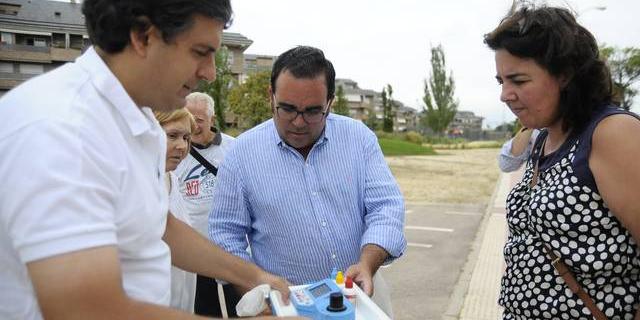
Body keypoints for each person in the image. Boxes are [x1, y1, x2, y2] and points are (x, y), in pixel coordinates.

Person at [0, 1, 301, 319]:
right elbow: (87, 311)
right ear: (143, 37)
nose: (210, 73)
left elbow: (158, 224)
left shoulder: (137, 120)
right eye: (200, 52)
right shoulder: (61, 129)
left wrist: (254, 276)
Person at [209, 46, 407, 315]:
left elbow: (385, 206)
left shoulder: (359, 139)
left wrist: (367, 263)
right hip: (286, 306)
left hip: (361, 293)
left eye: (313, 111)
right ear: (271, 96)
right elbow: (225, 235)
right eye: (288, 109)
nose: (299, 122)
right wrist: (258, 294)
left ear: (330, 102)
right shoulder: (241, 155)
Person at [485, 4, 640, 319]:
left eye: (518, 80)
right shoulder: (544, 137)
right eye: (501, 80)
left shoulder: (612, 133)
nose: (505, 94)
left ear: (565, 75)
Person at [172, 92, 239, 316]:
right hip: (193, 251)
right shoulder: (177, 151)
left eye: (199, 120)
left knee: (237, 307)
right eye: (188, 118)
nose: (193, 125)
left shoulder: (233, 148)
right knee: (201, 309)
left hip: (229, 249)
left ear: (213, 118)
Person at [154, 108, 198, 313]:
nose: (182, 146)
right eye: (172, 136)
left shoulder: (172, 179)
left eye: (186, 137)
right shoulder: (139, 185)